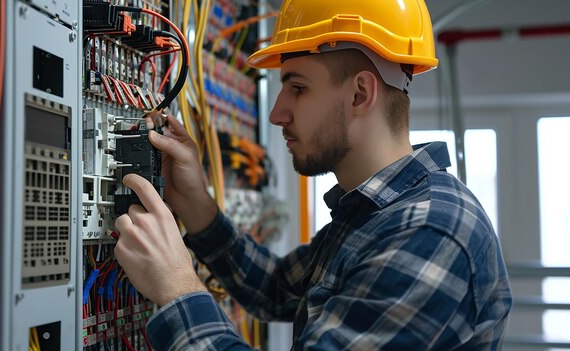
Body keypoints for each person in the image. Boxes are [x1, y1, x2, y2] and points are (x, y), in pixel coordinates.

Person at [113, 0, 513, 349]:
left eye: (298, 88)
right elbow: (272, 289)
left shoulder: (430, 231)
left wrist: (178, 288)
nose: (276, 114)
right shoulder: (375, 214)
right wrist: (195, 204)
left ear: (360, 94)